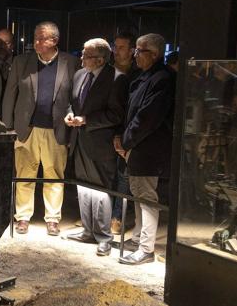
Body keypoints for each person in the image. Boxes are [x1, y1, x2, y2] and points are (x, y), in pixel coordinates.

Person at [2, 21, 79, 236]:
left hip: (57, 130)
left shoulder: (70, 63)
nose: (35, 42)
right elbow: (10, 95)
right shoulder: (21, 62)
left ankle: (53, 218)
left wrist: (73, 119)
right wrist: (8, 128)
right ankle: (23, 217)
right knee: (25, 175)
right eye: (35, 37)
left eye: (41, 38)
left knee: (54, 176)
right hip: (27, 129)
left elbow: (76, 96)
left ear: (54, 41)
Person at [63, 38, 128, 256]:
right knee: (83, 186)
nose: (81, 58)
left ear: (100, 60)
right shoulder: (80, 74)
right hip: (80, 140)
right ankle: (88, 230)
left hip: (101, 144)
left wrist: (86, 120)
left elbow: (116, 115)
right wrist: (71, 114)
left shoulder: (117, 79)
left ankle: (103, 236)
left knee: (101, 190)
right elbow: (73, 101)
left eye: (86, 55)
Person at [117, 33, 175, 265]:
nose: (135, 55)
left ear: (154, 54)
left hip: (148, 149)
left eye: (139, 51)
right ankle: (139, 238)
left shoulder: (162, 79)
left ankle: (146, 248)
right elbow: (133, 113)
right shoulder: (146, 77)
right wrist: (124, 140)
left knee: (146, 197)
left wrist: (126, 142)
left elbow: (147, 118)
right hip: (138, 147)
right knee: (139, 194)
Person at [110, 32, 141, 235]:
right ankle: (101, 214)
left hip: (126, 131)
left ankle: (117, 218)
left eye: (121, 47)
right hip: (107, 129)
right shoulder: (107, 71)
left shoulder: (138, 75)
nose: (116, 51)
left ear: (132, 51)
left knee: (124, 177)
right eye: (115, 46)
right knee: (108, 174)